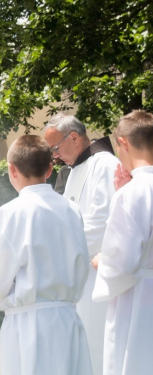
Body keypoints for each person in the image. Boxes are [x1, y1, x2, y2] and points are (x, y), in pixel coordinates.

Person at [0, 135, 92, 375]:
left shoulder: (10, 214)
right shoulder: (72, 210)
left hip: (30, 328)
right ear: (50, 169)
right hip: (68, 320)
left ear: (11, 169)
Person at [44, 113, 117, 375]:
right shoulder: (74, 170)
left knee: (95, 343)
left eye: (55, 147)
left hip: (96, 273)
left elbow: (101, 224)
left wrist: (63, 253)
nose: (54, 156)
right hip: (78, 273)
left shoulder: (105, 165)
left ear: (74, 137)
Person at [92, 110, 153, 375]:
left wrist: (101, 261)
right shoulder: (130, 191)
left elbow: (122, 263)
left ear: (123, 143)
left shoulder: (132, 193)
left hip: (139, 299)